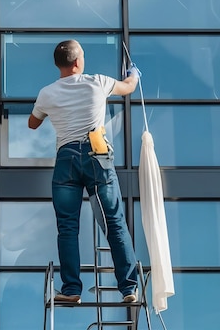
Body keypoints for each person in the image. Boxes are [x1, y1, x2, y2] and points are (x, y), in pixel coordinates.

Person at [28, 39, 141, 304]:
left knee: (67, 228)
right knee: (113, 222)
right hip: (96, 154)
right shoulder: (97, 82)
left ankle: (71, 290)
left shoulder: (47, 93)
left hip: (66, 158)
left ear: (59, 65)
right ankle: (128, 289)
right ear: (78, 62)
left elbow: (33, 123)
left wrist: (46, 111)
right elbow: (128, 88)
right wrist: (133, 73)